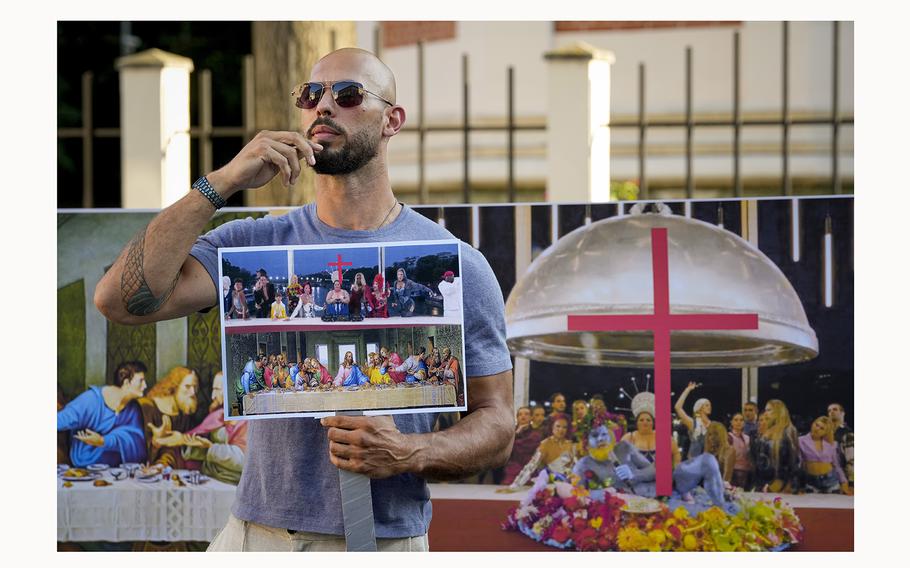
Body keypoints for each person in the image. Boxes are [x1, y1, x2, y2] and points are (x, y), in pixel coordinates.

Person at [94, 47, 514, 552]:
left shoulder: (455, 263)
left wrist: (409, 451)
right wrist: (221, 182)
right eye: (312, 94)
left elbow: (498, 423)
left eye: (348, 94)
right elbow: (119, 301)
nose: (324, 107)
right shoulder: (252, 245)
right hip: (254, 535)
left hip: (379, 541)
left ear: (392, 121)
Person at [572, 414, 734, 513]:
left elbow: (656, 469)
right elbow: (574, 496)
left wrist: (634, 475)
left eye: (604, 434)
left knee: (708, 459)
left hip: (668, 486)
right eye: (595, 436)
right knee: (693, 512)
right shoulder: (583, 465)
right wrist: (608, 493)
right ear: (586, 441)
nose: (601, 439)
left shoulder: (624, 447)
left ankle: (721, 510)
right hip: (644, 504)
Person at [56, 361, 149, 467]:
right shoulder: (91, 400)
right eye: (141, 381)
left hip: (119, 472)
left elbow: (136, 442)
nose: (145, 386)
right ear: (127, 383)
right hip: (86, 467)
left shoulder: (133, 408)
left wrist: (103, 441)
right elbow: (61, 420)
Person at [184, 371, 249, 485]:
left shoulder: (247, 420)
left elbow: (244, 460)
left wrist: (210, 448)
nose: (213, 396)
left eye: (217, 389)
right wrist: (193, 444)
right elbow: (202, 441)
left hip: (233, 483)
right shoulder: (218, 415)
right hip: (210, 476)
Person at [137, 367, 208, 469]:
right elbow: (139, 446)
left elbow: (179, 450)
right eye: (187, 387)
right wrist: (155, 442)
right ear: (174, 387)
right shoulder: (147, 406)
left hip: (168, 469)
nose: (193, 392)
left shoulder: (184, 415)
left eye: (195, 387)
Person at [506, 413, 574, 490]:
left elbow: (574, 468)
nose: (561, 430)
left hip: (568, 484)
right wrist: (515, 485)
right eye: (558, 426)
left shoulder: (570, 444)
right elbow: (531, 466)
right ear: (552, 427)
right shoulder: (545, 444)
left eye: (564, 427)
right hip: (551, 485)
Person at [620, 392, 681, 468]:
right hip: (637, 478)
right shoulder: (629, 437)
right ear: (637, 423)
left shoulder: (663, 436)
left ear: (653, 423)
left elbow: (676, 453)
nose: (645, 422)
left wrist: (676, 470)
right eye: (641, 420)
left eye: (648, 420)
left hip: (661, 477)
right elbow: (619, 457)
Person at [751, 400, 800, 493]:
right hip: (762, 482)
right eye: (765, 410)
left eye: (769, 410)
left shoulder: (788, 431)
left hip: (779, 484)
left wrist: (778, 484)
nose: (765, 413)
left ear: (778, 412)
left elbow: (792, 462)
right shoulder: (768, 431)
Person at [798, 416, 851, 495]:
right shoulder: (800, 441)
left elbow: (836, 465)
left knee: (834, 506)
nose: (817, 429)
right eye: (817, 425)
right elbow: (798, 463)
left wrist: (844, 482)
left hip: (831, 480)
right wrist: (796, 485)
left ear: (826, 432)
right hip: (811, 482)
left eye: (822, 428)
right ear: (813, 424)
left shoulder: (832, 444)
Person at [501, 406, 544, 486]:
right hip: (512, 470)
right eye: (520, 414)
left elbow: (518, 447)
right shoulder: (510, 432)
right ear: (517, 417)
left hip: (529, 471)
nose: (523, 416)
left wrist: (513, 441)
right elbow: (505, 447)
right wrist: (517, 433)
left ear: (531, 417)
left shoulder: (536, 434)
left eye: (526, 414)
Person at [674, 381, 712, 458]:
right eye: (706, 405)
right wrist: (687, 390)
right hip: (694, 462)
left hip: (707, 462)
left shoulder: (712, 425)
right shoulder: (693, 423)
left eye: (710, 405)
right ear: (700, 408)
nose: (709, 407)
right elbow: (678, 407)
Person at [827, 402, 854, 486]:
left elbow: (851, 460)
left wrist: (851, 482)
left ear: (842, 413)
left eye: (835, 409)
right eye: (829, 410)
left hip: (842, 479)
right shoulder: (824, 432)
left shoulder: (848, 433)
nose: (831, 412)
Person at [727, 413, 753, 489]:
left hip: (746, 472)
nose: (739, 422)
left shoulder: (747, 438)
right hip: (734, 471)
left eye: (741, 420)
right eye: (736, 420)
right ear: (731, 422)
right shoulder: (729, 437)